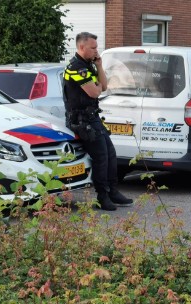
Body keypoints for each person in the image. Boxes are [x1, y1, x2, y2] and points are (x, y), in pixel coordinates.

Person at [63, 32, 133, 211]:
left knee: (110, 153)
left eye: (96, 47)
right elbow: (94, 92)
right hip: (81, 120)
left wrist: (100, 66)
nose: (96, 50)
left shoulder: (89, 65)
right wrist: (96, 87)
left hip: (92, 117)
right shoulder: (76, 68)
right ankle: (103, 196)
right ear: (81, 47)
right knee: (101, 156)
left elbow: (103, 86)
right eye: (93, 47)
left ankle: (113, 192)